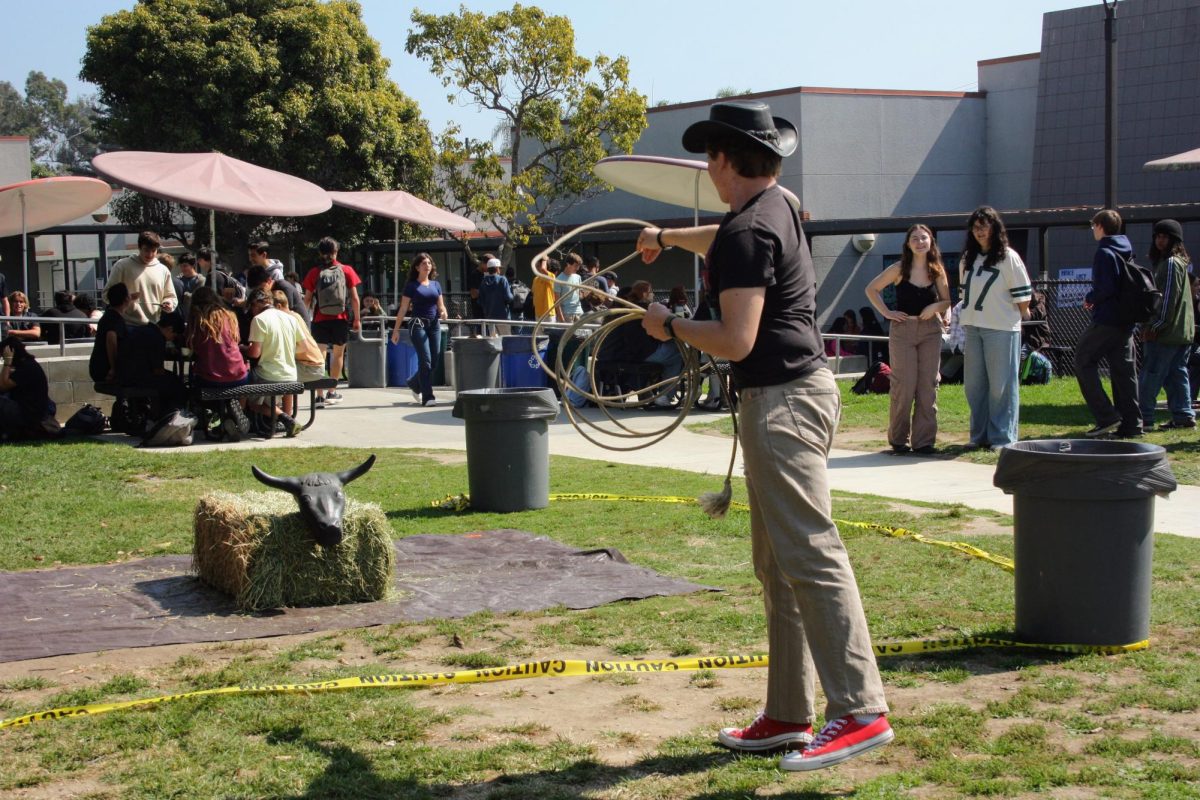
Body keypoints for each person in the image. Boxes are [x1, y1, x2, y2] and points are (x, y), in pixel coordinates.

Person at [637, 99, 891, 771]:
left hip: (781, 403)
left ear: (725, 159)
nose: (707, 170)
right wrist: (667, 239)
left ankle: (860, 710)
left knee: (808, 553)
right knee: (779, 564)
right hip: (792, 396)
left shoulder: (750, 230)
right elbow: (722, 241)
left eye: (709, 159)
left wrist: (669, 325)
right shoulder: (778, 207)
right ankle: (788, 713)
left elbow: (734, 338)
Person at [865, 224, 952, 454]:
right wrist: (887, 313)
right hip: (903, 331)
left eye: (924, 238)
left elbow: (947, 301)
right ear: (908, 244)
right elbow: (872, 289)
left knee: (927, 385)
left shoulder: (937, 270)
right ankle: (898, 440)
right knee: (904, 385)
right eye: (915, 238)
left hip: (930, 331)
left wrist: (936, 307)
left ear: (931, 241)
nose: (920, 242)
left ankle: (924, 442)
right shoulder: (898, 269)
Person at [959, 206, 1032, 449]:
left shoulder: (1008, 257)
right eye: (976, 226)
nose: (980, 231)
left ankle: (1003, 437)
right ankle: (978, 435)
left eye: (985, 225)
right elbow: (963, 293)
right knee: (974, 384)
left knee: (1001, 384)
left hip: (1001, 328)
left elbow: (1023, 296)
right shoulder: (967, 258)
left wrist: (1016, 320)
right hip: (973, 327)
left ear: (995, 227)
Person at [1075, 209, 1141, 438]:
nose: (1093, 230)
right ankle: (1132, 424)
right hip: (1126, 321)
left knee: (1083, 360)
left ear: (1101, 226)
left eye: (1094, 226)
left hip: (1107, 320)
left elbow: (1106, 288)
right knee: (1124, 372)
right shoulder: (1126, 248)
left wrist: (1090, 298)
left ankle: (1107, 416)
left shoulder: (1104, 251)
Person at [1138, 219, 1195, 430]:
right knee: (1176, 374)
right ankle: (1183, 416)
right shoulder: (1180, 263)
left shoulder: (1171, 263)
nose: (1160, 240)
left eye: (1165, 237)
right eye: (1157, 236)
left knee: (1151, 374)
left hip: (1166, 331)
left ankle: (1144, 418)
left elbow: (1168, 298)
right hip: (1182, 332)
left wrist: (1155, 325)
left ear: (1174, 240)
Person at [302, 236, 361, 408]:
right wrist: (356, 319)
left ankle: (319, 395)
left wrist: (304, 319)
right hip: (340, 319)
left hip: (320, 319)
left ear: (320, 253)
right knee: (337, 355)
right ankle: (332, 392)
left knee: (319, 356)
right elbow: (355, 298)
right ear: (336, 251)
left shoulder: (314, 272)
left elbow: (306, 299)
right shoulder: (346, 270)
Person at [391, 252, 449, 406]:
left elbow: (440, 305)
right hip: (418, 325)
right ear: (417, 267)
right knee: (426, 361)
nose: (427, 265)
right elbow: (403, 309)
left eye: (429, 263)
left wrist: (443, 312)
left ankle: (414, 383)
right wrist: (396, 330)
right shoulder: (411, 286)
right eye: (423, 263)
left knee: (434, 361)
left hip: (434, 324)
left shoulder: (436, 285)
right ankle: (428, 396)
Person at [245, 288, 305, 436]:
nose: (251, 311)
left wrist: (242, 349)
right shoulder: (290, 318)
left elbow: (254, 353)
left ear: (256, 304)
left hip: (268, 375)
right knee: (276, 391)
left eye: (251, 307)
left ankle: (284, 418)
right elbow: (303, 347)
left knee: (247, 398)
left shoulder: (259, 320)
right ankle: (288, 418)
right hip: (291, 374)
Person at [116, 310, 189, 417]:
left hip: (124, 374)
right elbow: (157, 370)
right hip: (137, 378)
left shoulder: (144, 330)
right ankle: (172, 416)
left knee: (171, 380)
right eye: (174, 336)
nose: (172, 339)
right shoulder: (157, 338)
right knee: (177, 385)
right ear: (170, 329)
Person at [103, 231, 178, 326]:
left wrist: (168, 303)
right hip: (127, 325)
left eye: (153, 251)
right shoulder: (122, 266)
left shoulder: (163, 270)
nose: (150, 254)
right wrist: (125, 299)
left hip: (154, 326)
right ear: (139, 247)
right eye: (146, 250)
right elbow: (106, 295)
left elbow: (171, 297)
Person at [186, 287, 248, 390]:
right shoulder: (230, 316)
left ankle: (203, 405)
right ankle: (238, 406)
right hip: (239, 376)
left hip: (209, 378)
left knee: (193, 380)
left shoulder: (198, 318)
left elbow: (190, 344)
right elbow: (237, 340)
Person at [0, 336, 55, 440]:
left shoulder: (27, 367)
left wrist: (7, 362)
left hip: (29, 414)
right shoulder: (27, 364)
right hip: (29, 411)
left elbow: (2, 386)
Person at [89, 283, 131, 383]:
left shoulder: (109, 314)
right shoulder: (115, 319)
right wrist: (114, 368)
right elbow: (111, 339)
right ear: (126, 299)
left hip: (97, 368)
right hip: (105, 371)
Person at [478, 256, 513, 333]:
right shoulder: (502, 279)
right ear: (497, 268)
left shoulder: (483, 281)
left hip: (489, 318)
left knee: (494, 341)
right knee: (505, 341)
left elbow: (480, 301)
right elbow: (508, 297)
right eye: (499, 268)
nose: (500, 269)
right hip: (503, 317)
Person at [175, 252, 206, 320]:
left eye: (185, 266)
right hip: (180, 317)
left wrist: (184, 295)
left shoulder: (200, 280)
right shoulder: (178, 279)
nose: (183, 268)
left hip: (195, 317)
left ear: (193, 265)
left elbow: (197, 297)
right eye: (181, 266)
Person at [555, 254, 585, 322]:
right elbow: (557, 303)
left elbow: (580, 296)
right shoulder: (558, 280)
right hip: (567, 315)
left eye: (578, 266)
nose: (577, 268)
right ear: (568, 264)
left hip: (579, 313)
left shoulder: (578, 277)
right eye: (576, 266)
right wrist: (562, 320)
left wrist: (587, 293)